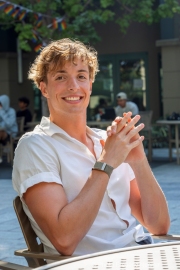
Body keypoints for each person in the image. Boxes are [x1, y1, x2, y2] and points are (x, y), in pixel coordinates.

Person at [12, 38, 170, 259]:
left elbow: (159, 226)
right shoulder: (35, 146)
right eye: (60, 77)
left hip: (141, 253)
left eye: (81, 76)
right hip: (96, 262)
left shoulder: (107, 140)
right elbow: (64, 241)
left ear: (90, 85)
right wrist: (105, 164)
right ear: (44, 88)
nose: (73, 86)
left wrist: (138, 160)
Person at [0, 95, 18, 163]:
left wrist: (2, 113)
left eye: (0, 104)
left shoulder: (11, 111)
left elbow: (9, 124)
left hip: (11, 133)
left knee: (1, 132)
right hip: (2, 132)